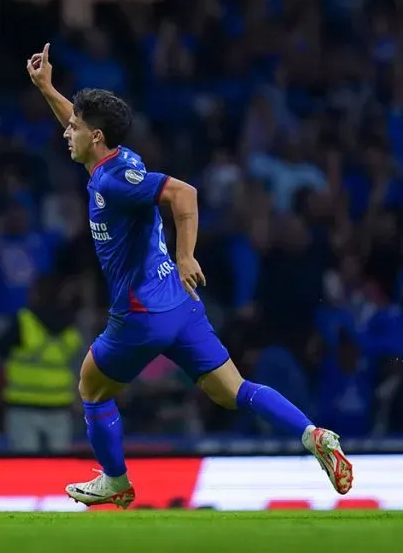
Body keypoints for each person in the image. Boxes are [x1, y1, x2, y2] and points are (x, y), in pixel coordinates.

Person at [26, 43, 353, 508]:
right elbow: (83, 130)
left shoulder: (111, 181)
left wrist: (185, 255)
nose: (67, 132)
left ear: (95, 136)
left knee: (91, 387)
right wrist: (48, 89)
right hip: (180, 307)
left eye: (75, 127)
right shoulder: (119, 159)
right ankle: (312, 434)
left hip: (140, 312)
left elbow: (185, 194)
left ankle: (116, 481)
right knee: (233, 391)